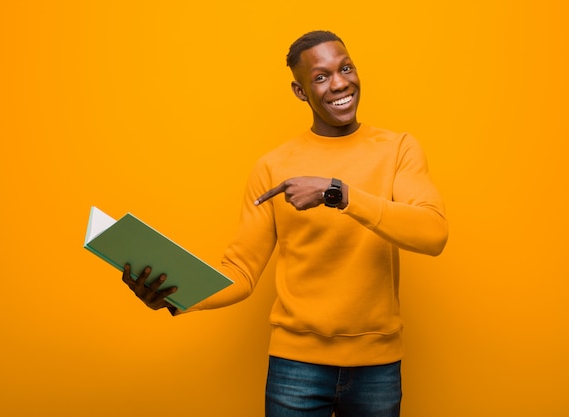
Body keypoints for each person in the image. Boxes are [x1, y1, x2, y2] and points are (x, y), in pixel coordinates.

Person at [122, 30, 448, 417]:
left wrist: (338, 193)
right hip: (296, 369)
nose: (340, 82)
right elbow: (241, 272)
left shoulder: (399, 149)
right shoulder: (272, 167)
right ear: (300, 92)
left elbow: (433, 233)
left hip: (377, 367)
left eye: (345, 68)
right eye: (322, 76)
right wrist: (178, 294)